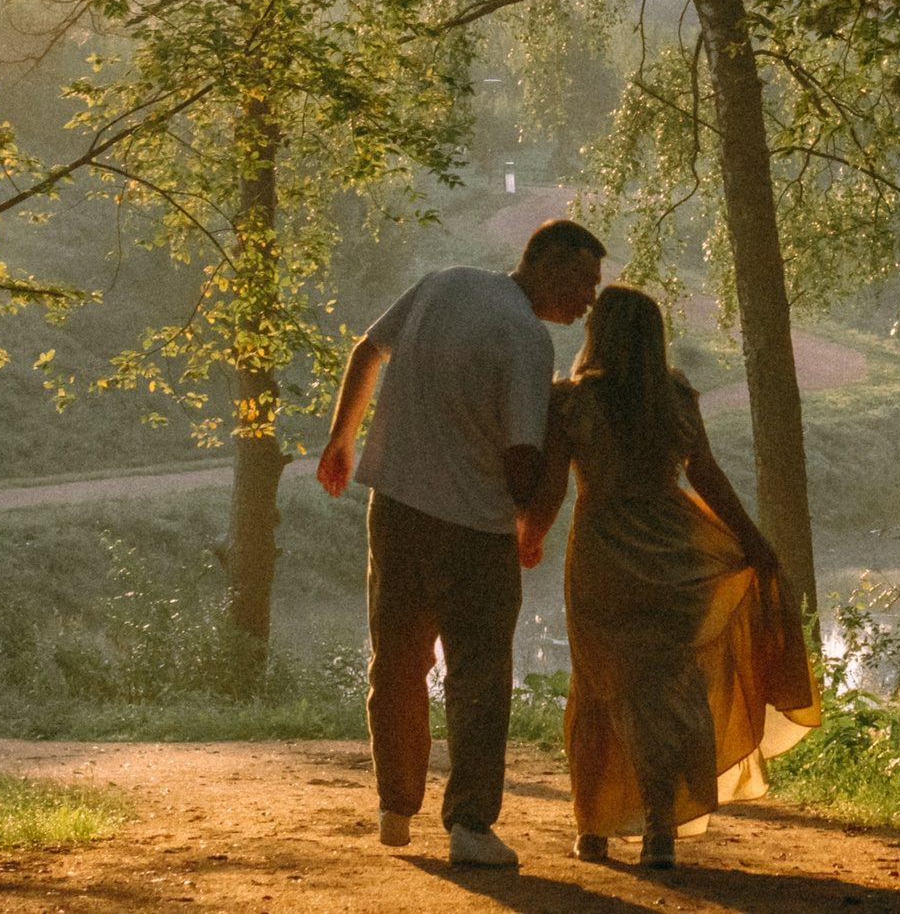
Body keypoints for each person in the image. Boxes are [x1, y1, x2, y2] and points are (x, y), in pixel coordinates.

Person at [316, 218, 604, 870]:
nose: (589, 298)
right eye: (585, 281)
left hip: (393, 508)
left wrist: (342, 437)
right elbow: (522, 461)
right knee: (478, 676)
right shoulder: (528, 340)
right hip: (474, 530)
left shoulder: (442, 284)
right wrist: (554, 461)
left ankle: (396, 805)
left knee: (397, 658)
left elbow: (368, 350)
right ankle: (470, 823)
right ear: (550, 265)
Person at [520, 285, 821, 868]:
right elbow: (704, 475)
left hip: (604, 555)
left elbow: (554, 485)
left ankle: (594, 828)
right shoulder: (675, 396)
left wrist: (529, 534)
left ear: (596, 334)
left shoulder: (570, 402)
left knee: (603, 687)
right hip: (675, 549)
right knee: (671, 686)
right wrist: (753, 542)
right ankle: (660, 824)